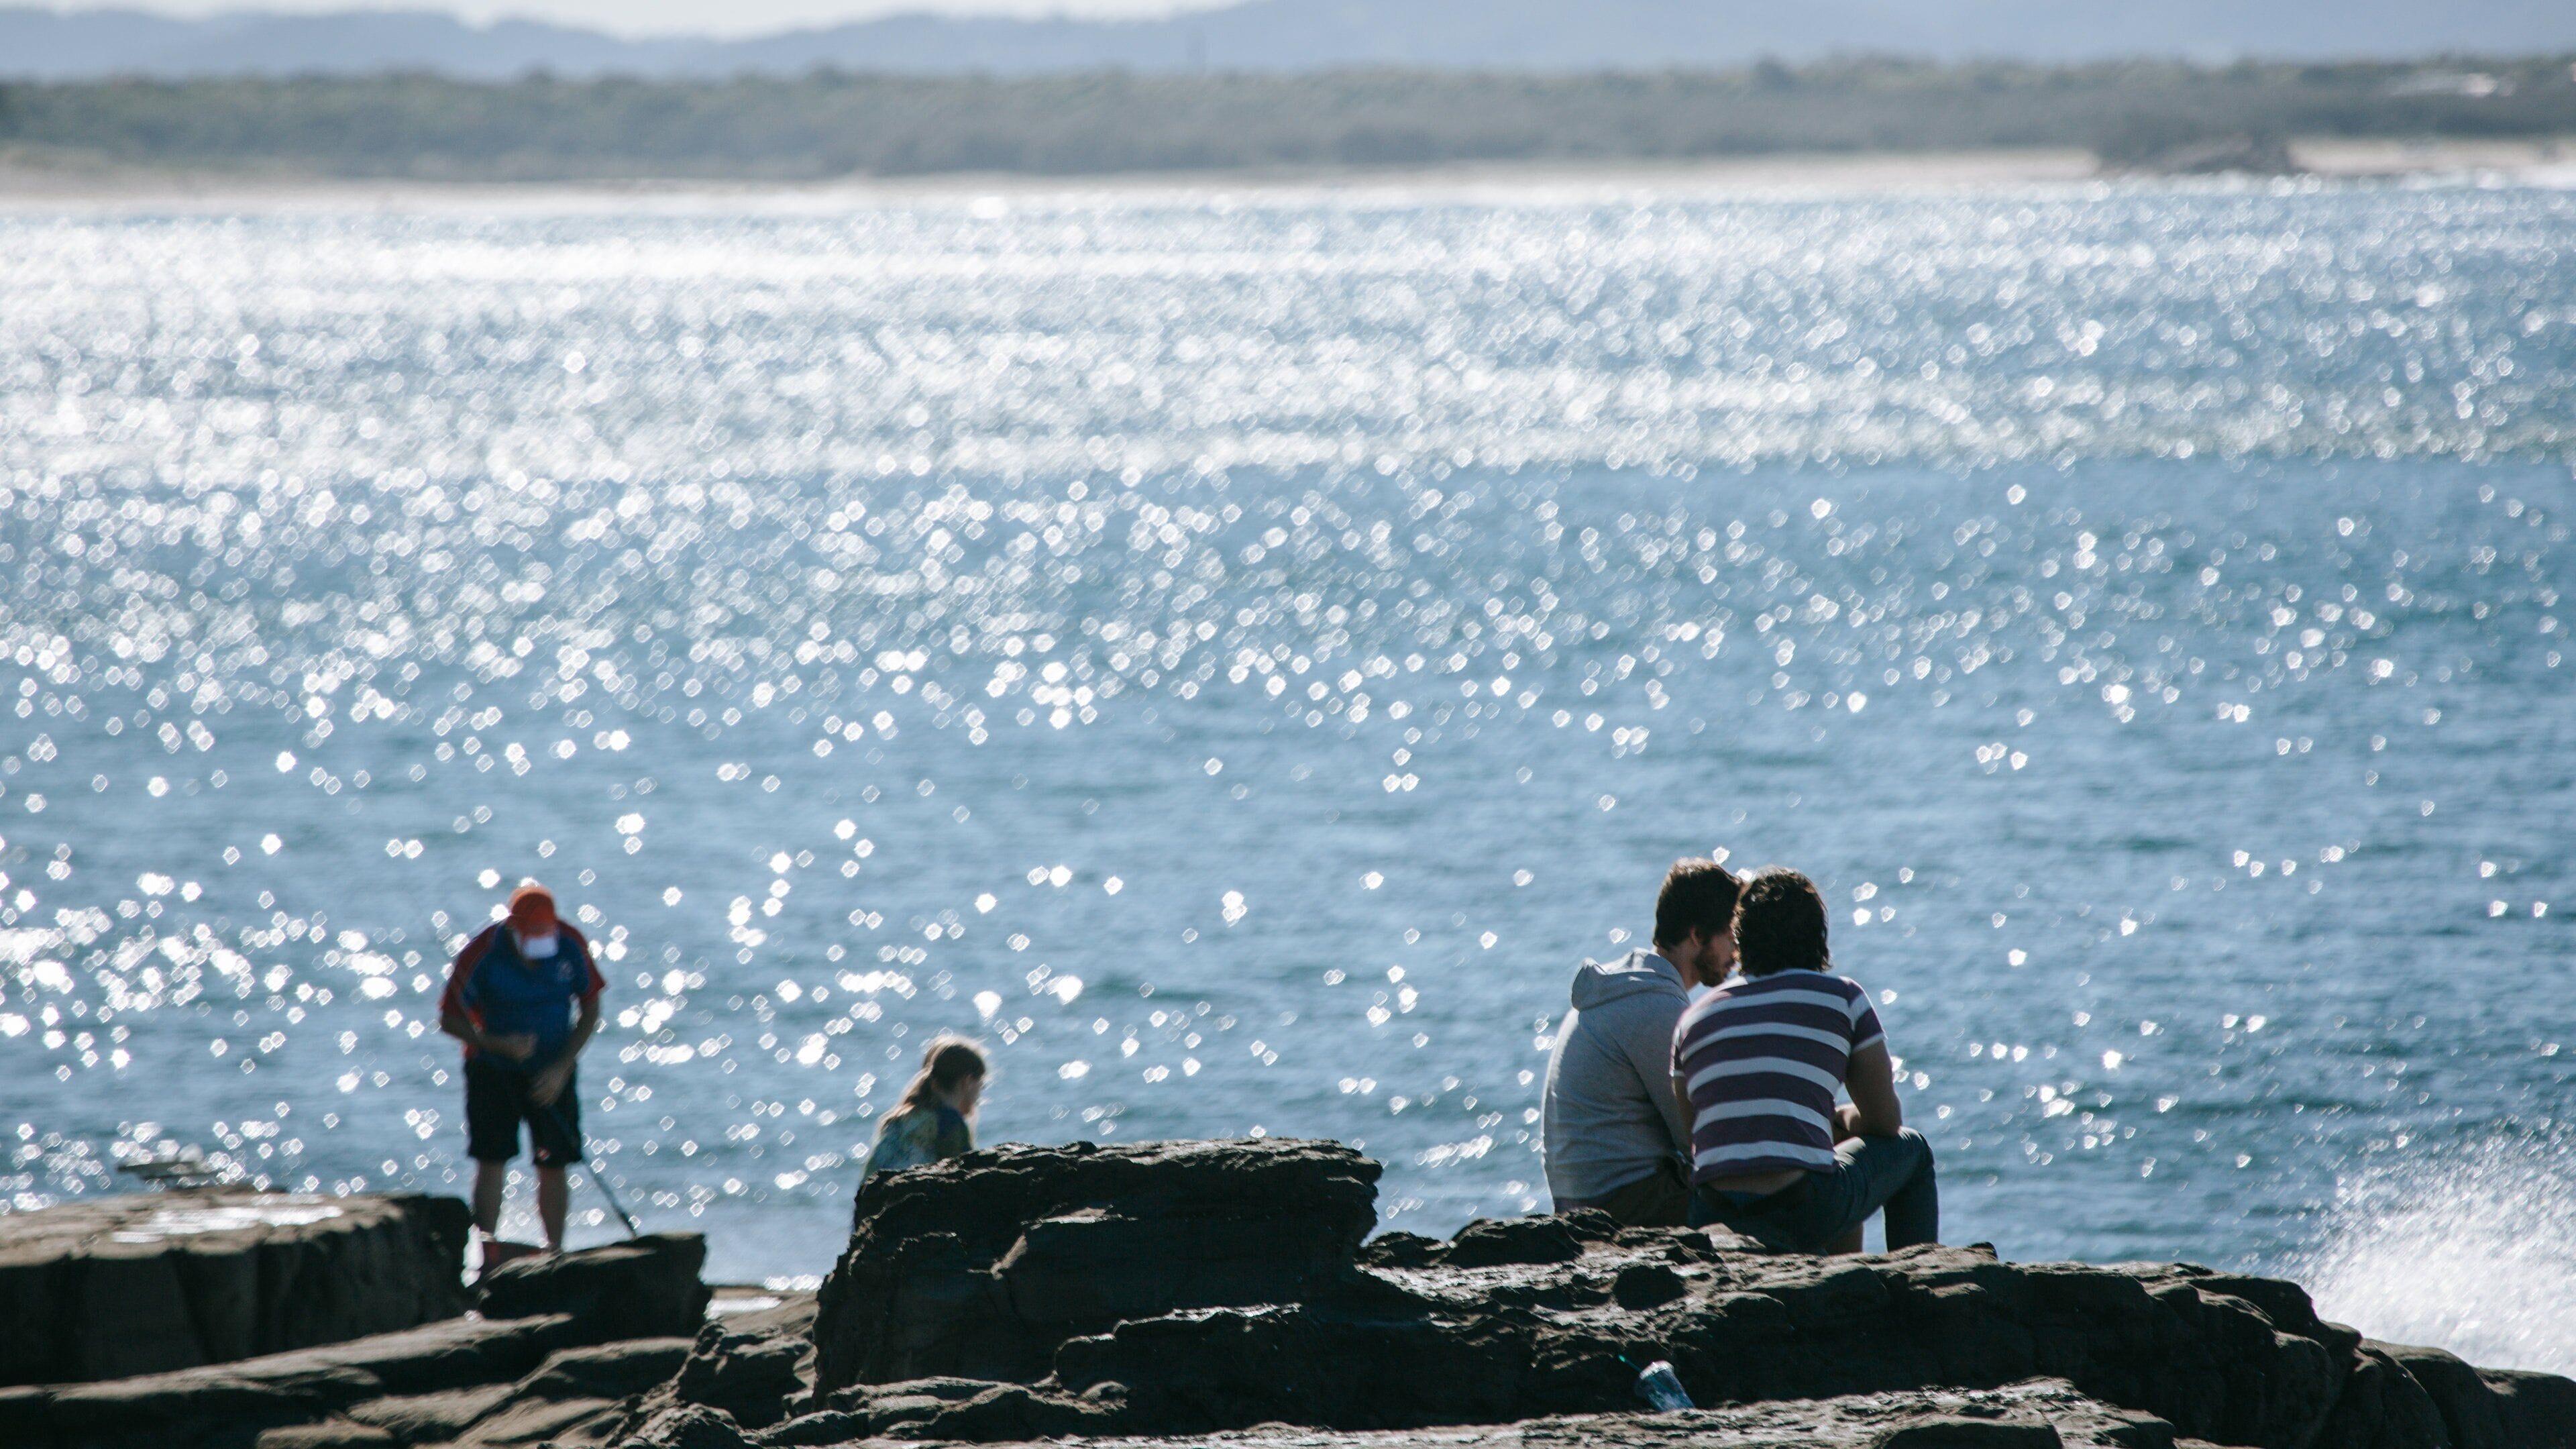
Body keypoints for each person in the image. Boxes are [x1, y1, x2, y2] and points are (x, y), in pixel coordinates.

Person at [1670, 865, 1937, 1254]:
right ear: (1819, 934)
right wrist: (1842, 1118)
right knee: (1912, 1150)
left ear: (1741, 936)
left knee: (1823, 1156)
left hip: (1711, 1213)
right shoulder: (1843, 999)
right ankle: (1919, 1284)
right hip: (1802, 1210)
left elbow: (1695, 1135)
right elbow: (1885, 1121)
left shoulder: (1693, 1018)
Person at [1541, 859, 1741, 1228]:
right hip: (1624, 1205)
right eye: (1731, 935)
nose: (1736, 952)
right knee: (1774, 1200)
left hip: (1582, 1199)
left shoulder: (1626, 990)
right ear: (1697, 936)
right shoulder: (1656, 1009)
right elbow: (1697, 1139)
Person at [437, 883, 603, 1257]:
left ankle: (555, 1251)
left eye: (546, 934)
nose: (540, 942)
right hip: (492, 1070)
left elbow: (591, 1008)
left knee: (554, 1161)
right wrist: (497, 1043)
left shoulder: (570, 942)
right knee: (492, 1158)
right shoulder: (482, 952)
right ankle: (487, 1253)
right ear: (512, 927)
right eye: (533, 935)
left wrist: (562, 1067)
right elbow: (449, 1019)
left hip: (551, 1071)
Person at [861, 1034, 987, 1184]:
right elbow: (964, 1180)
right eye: (981, 1086)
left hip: (877, 1200)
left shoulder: (899, 1119)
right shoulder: (950, 1123)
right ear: (967, 1082)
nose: (980, 1096)